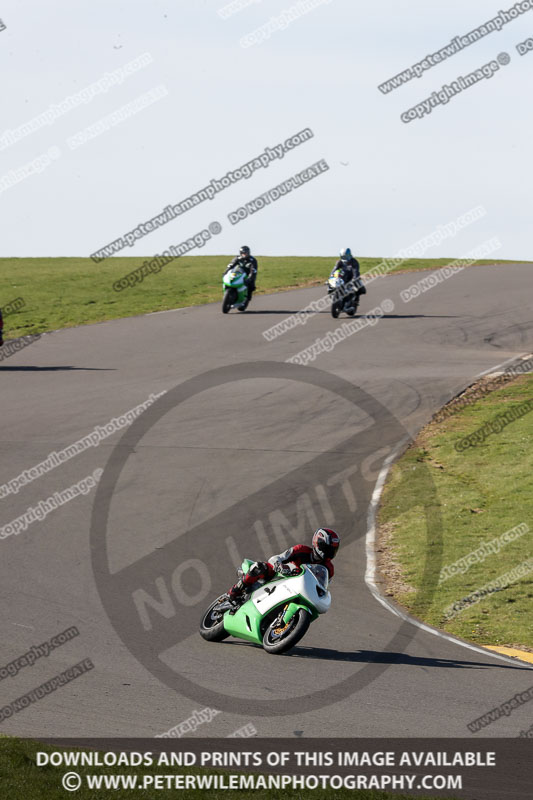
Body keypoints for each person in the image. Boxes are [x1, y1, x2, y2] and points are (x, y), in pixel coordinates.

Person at [226, 528, 340, 603]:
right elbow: (277, 558)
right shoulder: (301, 550)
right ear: (318, 544)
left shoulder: (329, 568)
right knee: (259, 567)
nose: (330, 553)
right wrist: (279, 566)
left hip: (298, 589)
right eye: (328, 549)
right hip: (279, 575)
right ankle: (235, 591)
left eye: (333, 550)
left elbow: (323, 587)